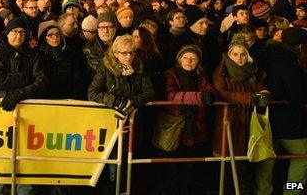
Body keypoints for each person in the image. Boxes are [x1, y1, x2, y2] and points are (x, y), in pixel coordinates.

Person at [0, 17, 47, 195]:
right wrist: (25, 78)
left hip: (27, 111)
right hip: (1, 110)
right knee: (0, 155)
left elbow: (42, 82)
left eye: (22, 32)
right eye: (14, 32)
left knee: (25, 154)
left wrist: (20, 93)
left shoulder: (33, 55)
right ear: (7, 34)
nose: (18, 36)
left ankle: (24, 191)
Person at [87, 35, 154, 193]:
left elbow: (150, 91)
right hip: (110, 125)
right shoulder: (105, 69)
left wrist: (133, 102)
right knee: (111, 165)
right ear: (116, 53)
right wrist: (115, 100)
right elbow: (92, 92)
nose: (129, 56)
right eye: (124, 53)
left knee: (126, 163)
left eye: (131, 52)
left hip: (132, 124)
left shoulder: (139, 68)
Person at [212, 36, 273, 194]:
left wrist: (264, 96)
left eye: (243, 54)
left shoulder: (252, 71)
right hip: (230, 120)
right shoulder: (222, 71)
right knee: (229, 162)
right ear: (229, 55)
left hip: (249, 121)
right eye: (236, 54)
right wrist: (249, 98)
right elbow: (222, 92)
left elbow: (261, 87)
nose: (240, 57)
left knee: (247, 162)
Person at [161, 45, 218, 195]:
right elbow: (172, 95)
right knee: (172, 168)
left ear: (198, 61)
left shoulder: (201, 76)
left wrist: (210, 95)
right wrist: (200, 97)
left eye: (193, 58)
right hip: (176, 128)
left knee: (190, 168)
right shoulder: (171, 74)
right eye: (185, 57)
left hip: (196, 128)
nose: (189, 61)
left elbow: (211, 91)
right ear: (179, 59)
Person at [261, 27, 307, 193]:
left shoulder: (267, 55)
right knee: (302, 157)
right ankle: (292, 190)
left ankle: (264, 191)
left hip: (266, 118)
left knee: (268, 159)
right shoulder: (290, 62)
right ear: (299, 45)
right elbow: (296, 94)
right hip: (289, 121)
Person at [37, 20, 89, 100]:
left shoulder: (71, 54)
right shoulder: (38, 56)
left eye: (57, 34)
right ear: (44, 38)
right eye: (50, 35)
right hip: (46, 102)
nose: (55, 37)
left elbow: (78, 81)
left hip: (69, 100)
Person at [84, 11, 118, 76]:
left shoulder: (120, 43)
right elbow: (101, 70)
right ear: (97, 29)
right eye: (102, 27)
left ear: (115, 28)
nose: (105, 31)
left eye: (109, 27)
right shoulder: (89, 48)